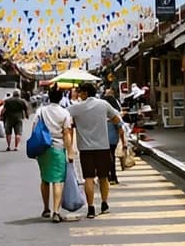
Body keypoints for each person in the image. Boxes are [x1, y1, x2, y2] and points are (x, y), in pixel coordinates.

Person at [68, 82, 126, 219]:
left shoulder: (76, 108)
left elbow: (65, 118)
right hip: (103, 147)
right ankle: (104, 204)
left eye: (80, 92)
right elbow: (117, 119)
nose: (79, 95)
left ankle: (91, 208)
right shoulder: (103, 105)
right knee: (104, 177)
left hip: (85, 149)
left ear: (85, 93)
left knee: (88, 178)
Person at [35, 86, 74, 222]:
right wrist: (70, 152)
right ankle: (56, 211)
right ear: (61, 98)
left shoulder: (40, 111)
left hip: (42, 149)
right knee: (57, 181)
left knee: (45, 179)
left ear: (49, 97)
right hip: (58, 148)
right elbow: (67, 134)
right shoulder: (64, 113)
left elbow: (35, 129)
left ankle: (46, 208)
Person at [103, 88, 123, 184]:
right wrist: (123, 141)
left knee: (106, 158)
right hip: (114, 139)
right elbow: (120, 128)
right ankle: (113, 177)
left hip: (103, 139)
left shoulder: (102, 112)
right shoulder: (115, 112)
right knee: (112, 158)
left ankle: (108, 176)